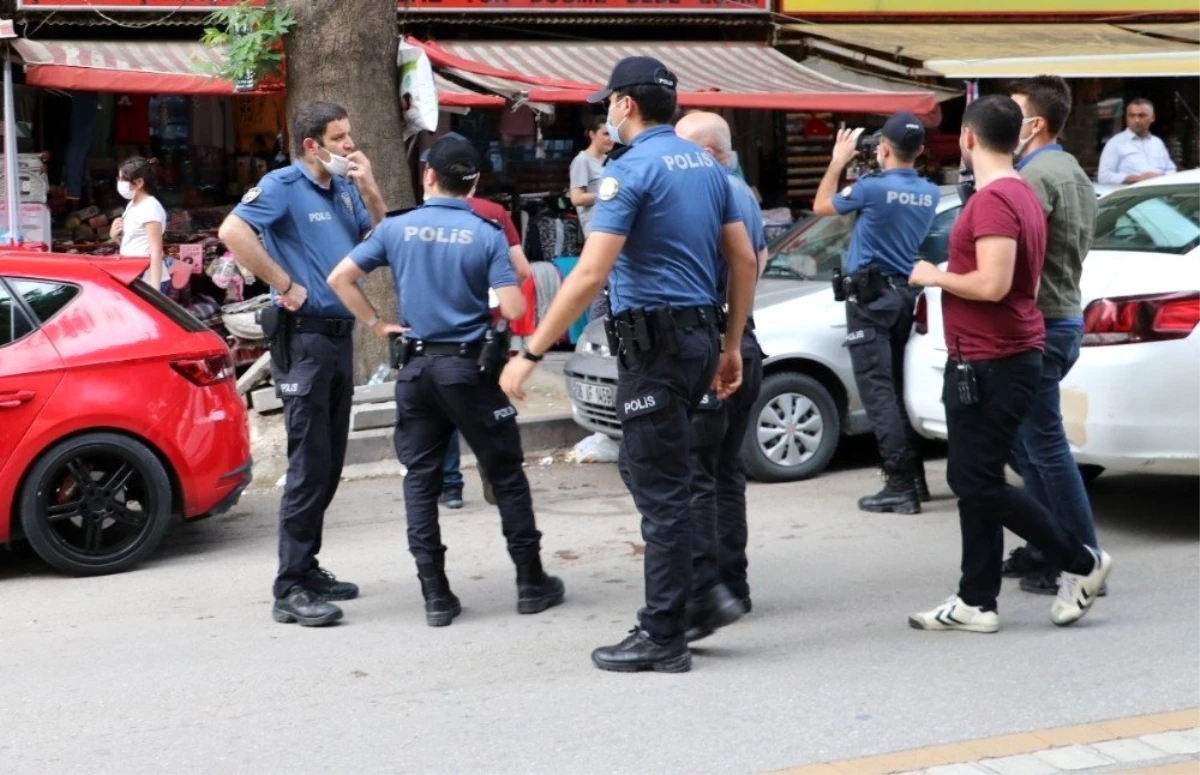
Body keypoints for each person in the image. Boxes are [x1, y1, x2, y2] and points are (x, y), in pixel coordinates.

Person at [499, 56, 758, 673]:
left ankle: (665, 633)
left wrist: (530, 353)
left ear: (625, 105)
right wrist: (729, 344)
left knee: (658, 487)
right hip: (699, 341)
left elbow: (590, 271)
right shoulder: (711, 168)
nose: (605, 115)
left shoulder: (628, 170)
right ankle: (703, 594)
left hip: (658, 350)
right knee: (675, 476)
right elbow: (743, 260)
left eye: (607, 104)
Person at [327, 133, 564, 628]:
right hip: (468, 370)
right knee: (506, 474)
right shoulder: (485, 232)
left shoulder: (398, 228)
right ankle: (530, 583)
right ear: (474, 182)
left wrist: (376, 324)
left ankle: (436, 595)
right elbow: (516, 306)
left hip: (415, 370)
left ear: (428, 175)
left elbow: (339, 279)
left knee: (420, 480)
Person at [907, 95, 1112, 634]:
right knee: (977, 478)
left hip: (996, 357)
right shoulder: (1019, 189)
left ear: (969, 138)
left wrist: (936, 276)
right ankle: (976, 600)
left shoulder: (997, 197)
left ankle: (1081, 560)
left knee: (974, 479)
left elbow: (995, 284)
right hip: (996, 354)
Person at [218, 102, 387, 627]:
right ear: (311, 144)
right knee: (309, 462)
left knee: (330, 461)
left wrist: (371, 188)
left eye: (350, 136)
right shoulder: (282, 185)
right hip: (305, 339)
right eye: (339, 139)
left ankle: (306, 566)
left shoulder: (342, 188)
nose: (349, 147)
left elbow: (379, 241)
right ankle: (289, 586)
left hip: (339, 339)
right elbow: (232, 232)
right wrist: (285, 284)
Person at [1004, 76, 1104, 596]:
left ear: (1035, 123)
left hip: (1043, 321)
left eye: (1013, 112)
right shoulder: (1070, 170)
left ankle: (1083, 559)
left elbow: (1017, 257)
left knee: (1044, 446)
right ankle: (1049, 545)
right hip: (1062, 317)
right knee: (1029, 445)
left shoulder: (1036, 176)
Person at [812, 113, 940, 515]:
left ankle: (900, 484)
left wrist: (837, 160)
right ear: (920, 151)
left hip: (870, 300)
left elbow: (820, 206)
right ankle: (915, 479)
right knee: (897, 387)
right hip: (904, 296)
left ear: (883, 148)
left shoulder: (870, 188)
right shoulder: (930, 192)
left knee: (878, 391)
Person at [674, 110, 768, 636]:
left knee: (698, 477)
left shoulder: (708, 194)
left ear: (709, 154)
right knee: (726, 473)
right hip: (742, 341)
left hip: (715, 348)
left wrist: (724, 342)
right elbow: (756, 257)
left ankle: (706, 593)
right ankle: (735, 585)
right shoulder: (745, 195)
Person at [438, 182, 532, 510]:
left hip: (441, 332)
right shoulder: (493, 213)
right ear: (475, 179)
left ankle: (451, 486)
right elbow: (522, 270)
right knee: (490, 404)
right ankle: (495, 473)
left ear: (431, 177)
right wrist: (498, 297)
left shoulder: (425, 218)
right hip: (489, 329)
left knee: (444, 408)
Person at [110, 157, 168, 291]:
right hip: (134, 276)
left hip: (147, 281)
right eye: (118, 179)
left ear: (139, 182)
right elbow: (135, 243)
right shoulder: (132, 205)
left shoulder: (150, 208)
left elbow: (156, 251)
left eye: (122, 180)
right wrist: (115, 237)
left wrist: (155, 289)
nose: (119, 183)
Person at [1098, 98, 1177, 185]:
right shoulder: (1115, 143)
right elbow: (1103, 177)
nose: (1136, 120)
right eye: (1132, 116)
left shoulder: (1157, 143)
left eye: (1141, 115)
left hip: (1160, 194)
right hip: (1133, 196)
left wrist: (1159, 177)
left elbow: (1171, 170)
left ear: (1152, 117)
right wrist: (1137, 179)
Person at [569, 115, 614, 239]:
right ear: (592, 135)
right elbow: (577, 198)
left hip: (612, 224)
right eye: (606, 134)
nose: (610, 139)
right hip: (596, 228)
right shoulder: (582, 160)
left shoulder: (609, 160)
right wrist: (609, 195)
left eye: (612, 134)